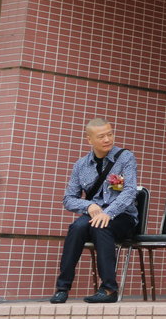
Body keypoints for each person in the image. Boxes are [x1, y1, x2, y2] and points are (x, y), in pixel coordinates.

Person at [50, 118, 138, 304]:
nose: (107, 139)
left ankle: (108, 289)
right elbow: (68, 199)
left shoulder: (125, 157)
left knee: (101, 227)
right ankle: (62, 288)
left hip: (122, 216)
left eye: (110, 134)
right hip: (94, 214)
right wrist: (88, 206)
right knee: (76, 228)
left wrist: (108, 213)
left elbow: (130, 191)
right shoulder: (81, 165)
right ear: (89, 140)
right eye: (101, 136)